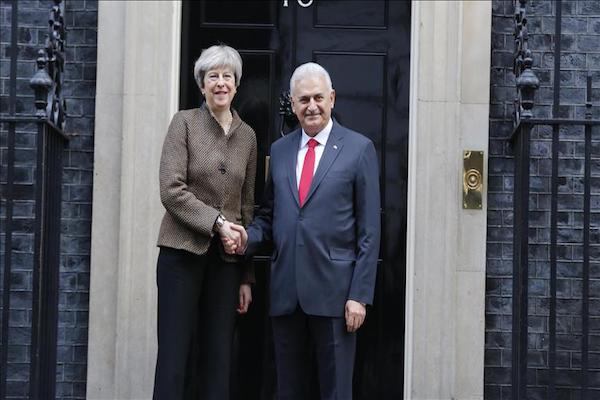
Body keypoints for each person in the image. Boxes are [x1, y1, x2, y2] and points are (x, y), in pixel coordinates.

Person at [224, 62, 380, 400]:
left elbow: (370, 231)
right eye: (304, 99)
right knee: (288, 390)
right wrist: (248, 238)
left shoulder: (359, 148)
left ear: (333, 99)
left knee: (336, 391)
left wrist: (359, 295)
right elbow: (270, 214)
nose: (312, 106)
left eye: (319, 98)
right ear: (293, 105)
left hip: (337, 294)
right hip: (286, 291)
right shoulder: (280, 152)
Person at [153, 44, 257, 400]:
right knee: (174, 358)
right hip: (181, 256)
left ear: (237, 84)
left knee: (218, 360)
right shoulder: (183, 123)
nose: (221, 83)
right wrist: (217, 223)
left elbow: (246, 208)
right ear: (202, 84)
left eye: (227, 76)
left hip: (226, 265)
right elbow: (171, 190)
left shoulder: (248, 137)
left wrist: (246, 275)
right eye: (213, 76)